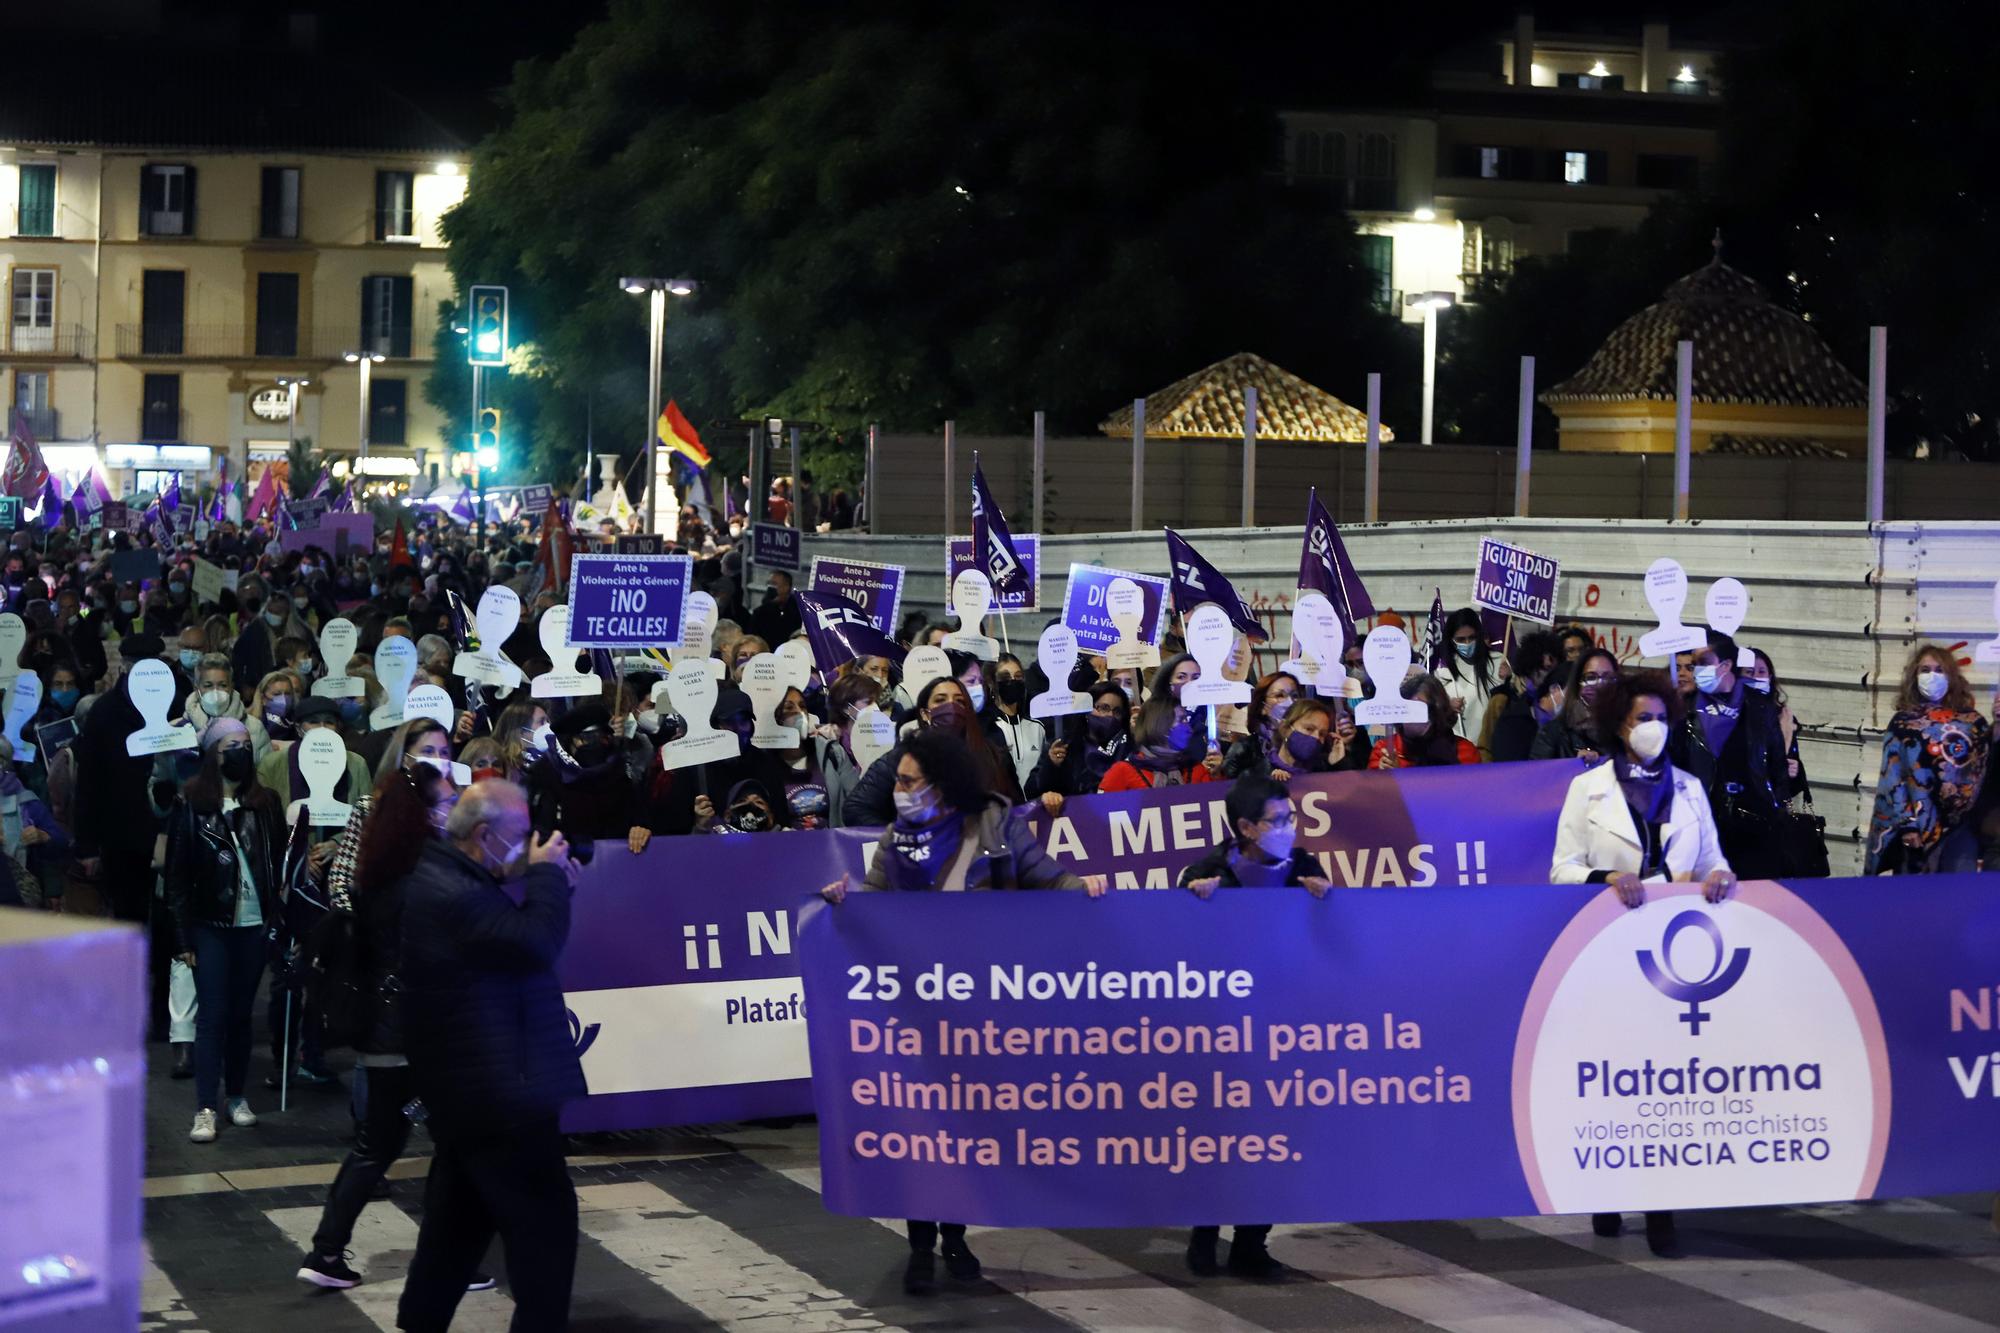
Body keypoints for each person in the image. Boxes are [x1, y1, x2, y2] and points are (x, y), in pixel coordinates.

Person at [819, 730, 1104, 1295]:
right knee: (922, 1129)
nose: (897, 792)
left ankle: (956, 1234)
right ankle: (922, 1246)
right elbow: (876, 896)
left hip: (981, 1010)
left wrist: (1084, 888)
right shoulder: (898, 840)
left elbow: (1047, 878)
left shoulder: (996, 826)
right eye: (898, 781)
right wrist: (846, 898)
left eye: (907, 781)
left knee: (966, 1129)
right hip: (916, 1013)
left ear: (942, 787)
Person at [1550, 668, 1734, 1255]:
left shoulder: (1689, 789)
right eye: (1640, 720)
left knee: (1663, 1086)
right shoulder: (1588, 790)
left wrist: (1721, 878)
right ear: (1618, 727)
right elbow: (1562, 870)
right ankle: (1606, 1191)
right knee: (1614, 1081)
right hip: (1609, 953)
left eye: (1659, 718)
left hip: (1673, 961)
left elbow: (1711, 861)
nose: (1652, 729)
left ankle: (1661, 1210)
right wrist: (1608, 878)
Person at [298, 732, 491, 1291]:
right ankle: (445, 1259)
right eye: (443, 805)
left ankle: (327, 1252)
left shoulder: (388, 878)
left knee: (379, 1145)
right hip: (416, 1032)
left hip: (390, 1032)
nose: (450, 810)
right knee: (446, 1142)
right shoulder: (420, 882)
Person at [396, 780, 584, 1333]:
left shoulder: (451, 878)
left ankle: (420, 1323)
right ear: (483, 835)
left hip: (477, 1088)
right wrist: (548, 877)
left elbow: (509, 948)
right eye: (520, 835)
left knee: (455, 1230)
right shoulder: (452, 892)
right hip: (500, 1094)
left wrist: (550, 883)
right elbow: (532, 945)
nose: (528, 845)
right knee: (546, 1231)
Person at [1175, 775, 1329, 1279]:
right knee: (1218, 1139)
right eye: (1277, 821)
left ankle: (1251, 1242)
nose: (1288, 829)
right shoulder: (1211, 869)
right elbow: (1172, 933)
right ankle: (1203, 1232)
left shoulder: (1301, 865)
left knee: (1271, 1139)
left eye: (1290, 819)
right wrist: (1194, 897)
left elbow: (1327, 932)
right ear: (1245, 827)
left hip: (1282, 1028)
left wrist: (1323, 897)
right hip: (1221, 1034)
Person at [163, 717, 283, 1144]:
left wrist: (276, 922)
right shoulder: (192, 805)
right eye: (231, 744)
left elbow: (275, 866)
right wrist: (181, 940)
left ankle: (236, 1096)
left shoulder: (264, 803)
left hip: (252, 925)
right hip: (210, 926)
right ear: (213, 753)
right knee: (212, 1015)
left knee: (240, 1016)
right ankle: (205, 1107)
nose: (240, 752)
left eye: (246, 744)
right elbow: (176, 879)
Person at [1673, 630, 1792, 877]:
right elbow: (1676, 766)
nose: (1696, 671)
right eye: (1694, 665)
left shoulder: (1759, 707)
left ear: (1726, 665)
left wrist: (1777, 810)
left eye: (1703, 663)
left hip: (1754, 825)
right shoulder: (1685, 709)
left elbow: (1777, 766)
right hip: (1702, 826)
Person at [1865, 645, 1991, 874]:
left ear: (1951, 675)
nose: (1932, 676)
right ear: (1914, 676)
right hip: (1917, 830)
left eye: (1939, 670)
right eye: (1925, 669)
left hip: (1962, 830)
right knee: (1916, 900)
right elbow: (1893, 778)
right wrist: (1907, 825)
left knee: (1959, 894)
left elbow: (1985, 770)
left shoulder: (1974, 722)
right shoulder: (1902, 723)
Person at [1097, 695, 1223, 792]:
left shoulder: (1196, 770)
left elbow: (1217, 813)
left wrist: (1217, 775)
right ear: (1161, 725)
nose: (1189, 729)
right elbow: (1101, 818)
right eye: (1182, 720)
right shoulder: (1122, 772)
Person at [1030, 682, 1133, 798]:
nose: (1110, 715)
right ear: (1087, 710)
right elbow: (1031, 790)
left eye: (1117, 711)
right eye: (1104, 708)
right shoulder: (1064, 746)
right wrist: (1051, 765)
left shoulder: (1130, 747)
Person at [1369, 673, 1482, 768]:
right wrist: (1385, 779)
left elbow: (1471, 792)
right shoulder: (1385, 751)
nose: (1410, 717)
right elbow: (1372, 791)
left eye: (1418, 709)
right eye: (1405, 709)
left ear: (1437, 709)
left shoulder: (1465, 751)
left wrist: (1403, 776)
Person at [1435, 609, 1506, 757]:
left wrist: (1511, 680)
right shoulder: (1442, 670)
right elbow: (1433, 714)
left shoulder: (1498, 662)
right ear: (1451, 639)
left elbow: (1511, 702)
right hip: (1460, 752)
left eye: (1472, 637)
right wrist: (1447, 707)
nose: (1467, 643)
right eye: (1461, 639)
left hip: (1493, 749)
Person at [1488, 631, 1565, 763]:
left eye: (1554, 669)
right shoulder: (1513, 720)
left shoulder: (1570, 712)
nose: (1550, 676)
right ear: (1529, 670)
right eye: (1544, 668)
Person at [1531, 650, 1618, 762]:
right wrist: (1574, 765)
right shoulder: (1552, 733)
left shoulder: (1627, 728)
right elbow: (1537, 775)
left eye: (1608, 677)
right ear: (1577, 683)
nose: (1600, 684)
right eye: (1591, 678)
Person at [1223, 672, 1301, 779]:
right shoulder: (1244, 749)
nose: (1290, 702)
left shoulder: (1313, 744)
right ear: (1263, 706)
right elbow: (1228, 789)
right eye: (1280, 695)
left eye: (1295, 696)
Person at [989, 653, 1047, 794]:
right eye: (1005, 677)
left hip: (1034, 809)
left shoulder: (1037, 727)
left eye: (1018, 676)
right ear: (992, 683)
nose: (1013, 681)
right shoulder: (988, 728)